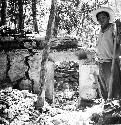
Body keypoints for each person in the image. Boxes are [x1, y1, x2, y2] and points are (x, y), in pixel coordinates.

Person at [91, 7, 121, 100]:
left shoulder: (113, 28)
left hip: (111, 62)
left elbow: (119, 42)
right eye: (99, 19)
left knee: (113, 87)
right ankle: (107, 106)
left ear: (108, 18)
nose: (101, 20)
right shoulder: (100, 30)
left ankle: (115, 108)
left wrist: (119, 30)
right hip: (101, 62)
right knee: (104, 87)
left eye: (103, 18)